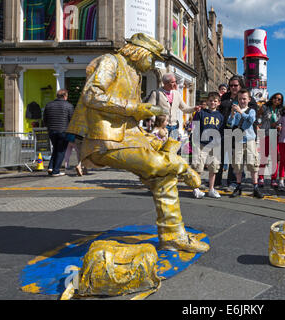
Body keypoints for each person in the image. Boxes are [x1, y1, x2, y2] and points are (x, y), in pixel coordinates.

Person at [66, 33, 208, 253]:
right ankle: (182, 167)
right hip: (106, 140)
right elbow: (91, 95)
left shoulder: (134, 73)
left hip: (127, 137)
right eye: (151, 58)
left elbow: (127, 117)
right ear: (140, 51)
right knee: (158, 164)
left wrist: (143, 122)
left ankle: (172, 236)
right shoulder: (110, 61)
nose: (151, 64)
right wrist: (136, 109)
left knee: (164, 177)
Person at [215, 75, 257, 190]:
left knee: (234, 159)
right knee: (221, 156)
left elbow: (252, 119)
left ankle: (232, 182)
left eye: (236, 85)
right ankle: (216, 181)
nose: (233, 87)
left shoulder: (248, 99)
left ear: (240, 85)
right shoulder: (225, 97)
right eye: (231, 85)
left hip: (240, 133)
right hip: (224, 130)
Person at [227, 88, 263, 198]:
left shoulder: (251, 110)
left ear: (249, 99)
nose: (242, 101)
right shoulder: (236, 111)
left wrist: (240, 112)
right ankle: (238, 186)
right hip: (238, 140)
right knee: (237, 164)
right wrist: (232, 115)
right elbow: (230, 124)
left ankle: (255, 187)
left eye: (244, 99)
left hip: (249, 140)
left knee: (252, 163)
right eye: (240, 99)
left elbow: (251, 120)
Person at [145, 72, 200, 138]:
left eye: (175, 82)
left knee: (173, 147)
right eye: (172, 82)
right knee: (162, 147)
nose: (175, 84)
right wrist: (155, 122)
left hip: (174, 126)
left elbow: (184, 108)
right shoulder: (156, 93)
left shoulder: (177, 94)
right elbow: (150, 109)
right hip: (161, 127)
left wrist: (194, 109)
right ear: (165, 83)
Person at [191, 92, 224, 199]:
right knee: (198, 167)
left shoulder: (220, 116)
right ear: (207, 102)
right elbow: (195, 127)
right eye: (210, 100)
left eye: (215, 101)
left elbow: (222, 130)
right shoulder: (201, 113)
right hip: (201, 144)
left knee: (213, 168)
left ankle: (211, 189)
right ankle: (196, 188)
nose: (212, 103)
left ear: (219, 103)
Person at [43, 89, 74, 177]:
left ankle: (51, 167)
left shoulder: (49, 105)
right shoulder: (69, 106)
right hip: (63, 131)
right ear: (65, 96)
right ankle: (56, 171)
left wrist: (48, 127)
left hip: (51, 131)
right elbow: (72, 120)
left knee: (56, 149)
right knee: (61, 151)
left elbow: (45, 119)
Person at [257, 92, 283, 187]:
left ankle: (273, 179)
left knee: (275, 158)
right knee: (264, 157)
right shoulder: (265, 108)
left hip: (276, 135)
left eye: (279, 99)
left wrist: (280, 126)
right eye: (275, 98)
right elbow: (258, 116)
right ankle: (261, 178)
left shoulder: (281, 110)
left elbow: (282, 122)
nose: (277, 100)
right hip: (266, 134)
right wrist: (259, 124)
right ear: (272, 98)